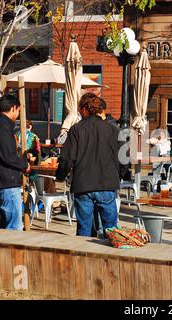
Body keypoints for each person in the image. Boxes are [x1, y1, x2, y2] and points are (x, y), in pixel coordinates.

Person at [56, 93, 120, 237]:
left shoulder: (77, 129)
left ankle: (83, 256)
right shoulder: (112, 129)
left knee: (84, 228)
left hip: (84, 183)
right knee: (111, 230)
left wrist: (60, 175)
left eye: (80, 109)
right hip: (106, 182)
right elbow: (121, 157)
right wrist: (119, 176)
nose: (79, 112)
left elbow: (67, 158)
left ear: (85, 109)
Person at [0, 94, 30, 230]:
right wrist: (24, 165)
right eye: (18, 110)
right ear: (13, 108)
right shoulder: (1, 127)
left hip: (1, 181)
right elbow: (7, 156)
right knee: (14, 227)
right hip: (7, 182)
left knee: (3, 226)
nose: (18, 114)